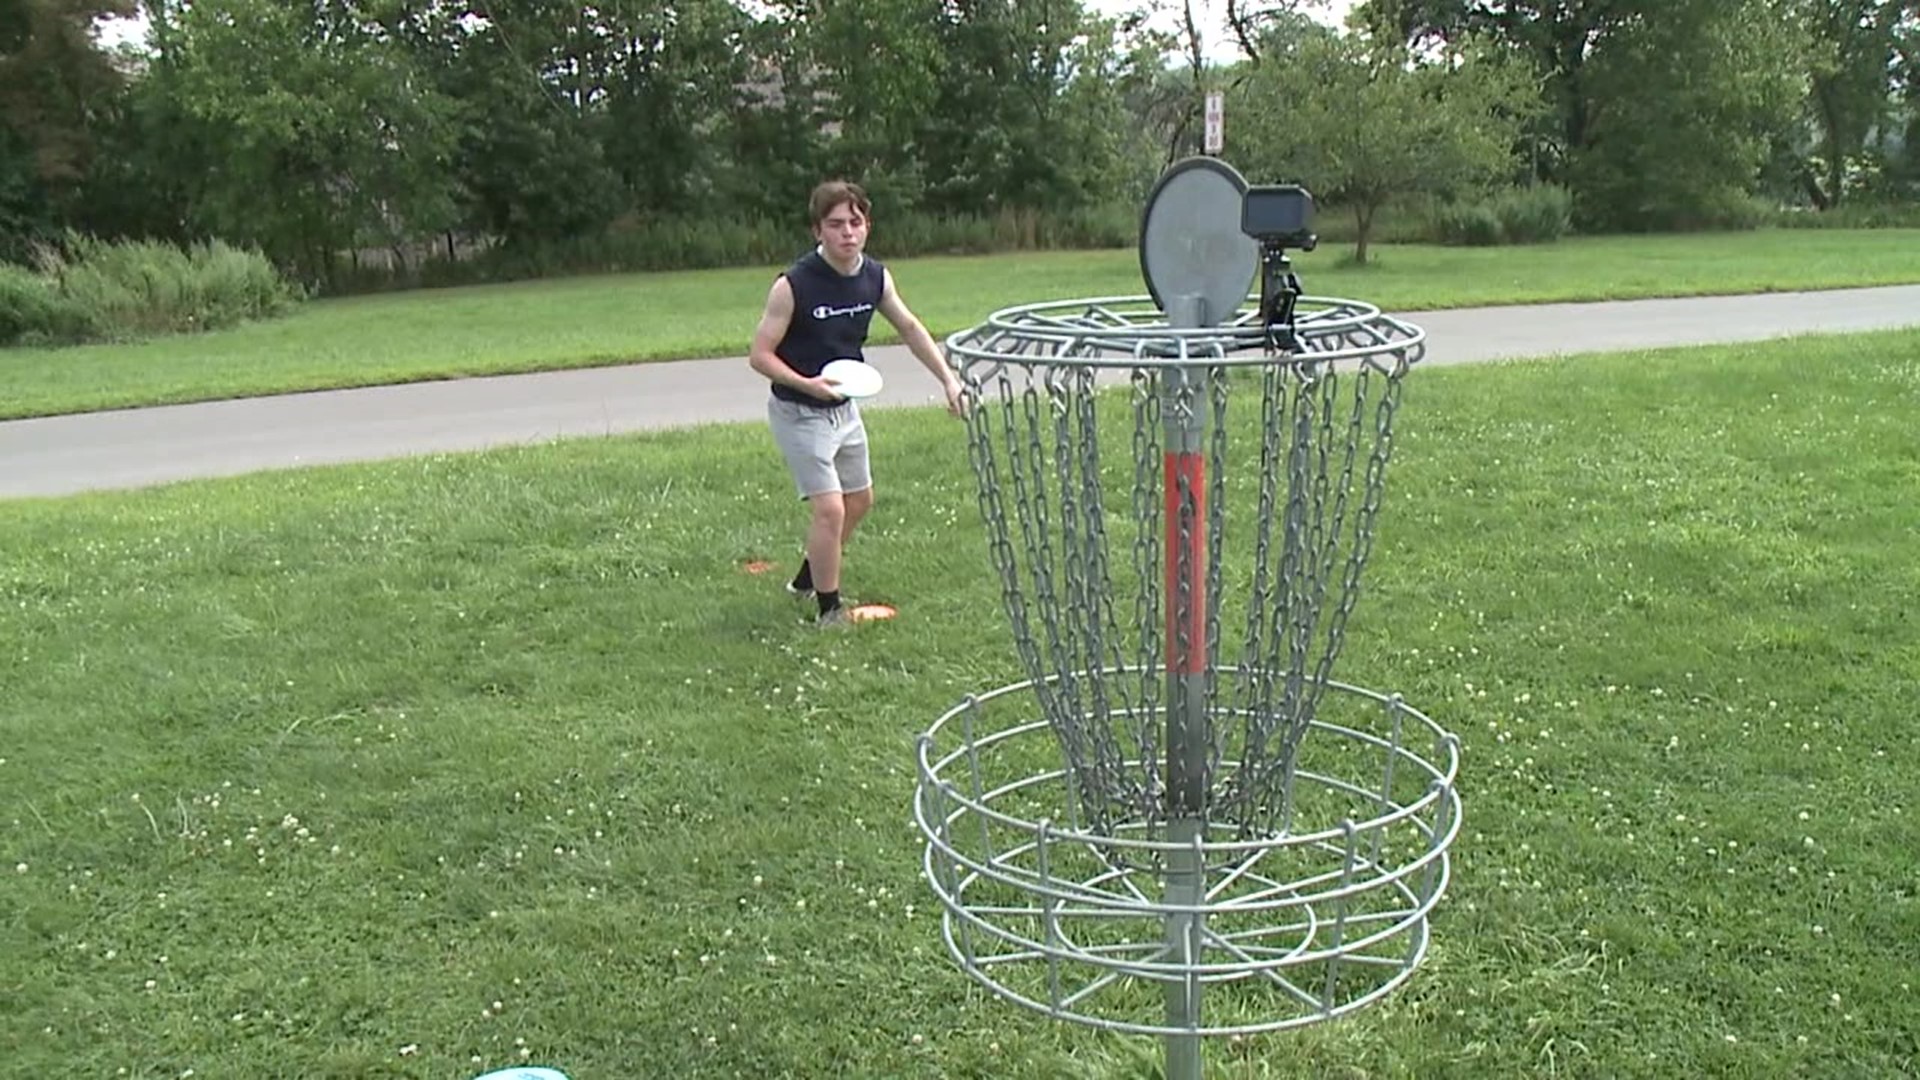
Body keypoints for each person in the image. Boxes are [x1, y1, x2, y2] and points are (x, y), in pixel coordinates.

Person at [748, 180, 965, 628]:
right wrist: (807, 384)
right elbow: (760, 356)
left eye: (855, 222)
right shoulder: (793, 285)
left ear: (867, 226)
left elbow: (908, 327)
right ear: (817, 231)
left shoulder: (875, 277)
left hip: (844, 406)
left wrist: (949, 380)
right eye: (835, 224)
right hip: (799, 409)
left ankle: (808, 577)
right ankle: (829, 611)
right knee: (830, 509)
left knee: (860, 500)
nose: (847, 232)